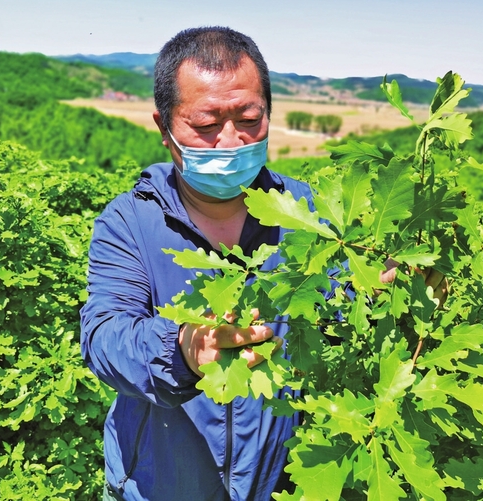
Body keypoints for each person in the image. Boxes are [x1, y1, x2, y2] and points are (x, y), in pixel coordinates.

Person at [80, 27, 444, 501]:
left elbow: (335, 312)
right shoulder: (128, 221)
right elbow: (104, 338)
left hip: (279, 483)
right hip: (159, 488)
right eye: (206, 125)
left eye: (249, 119)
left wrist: (381, 291)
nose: (230, 141)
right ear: (164, 127)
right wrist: (183, 348)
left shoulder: (308, 213)